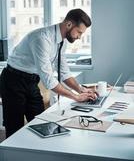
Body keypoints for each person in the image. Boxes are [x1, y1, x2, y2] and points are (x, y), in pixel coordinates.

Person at [0, 8, 97, 138]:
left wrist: (81, 90)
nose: (79, 37)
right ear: (68, 24)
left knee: (41, 123)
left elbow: (64, 73)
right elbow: (49, 81)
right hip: (13, 81)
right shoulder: (41, 38)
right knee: (14, 127)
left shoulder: (61, 41)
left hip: (32, 81)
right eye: (79, 32)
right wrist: (75, 97)